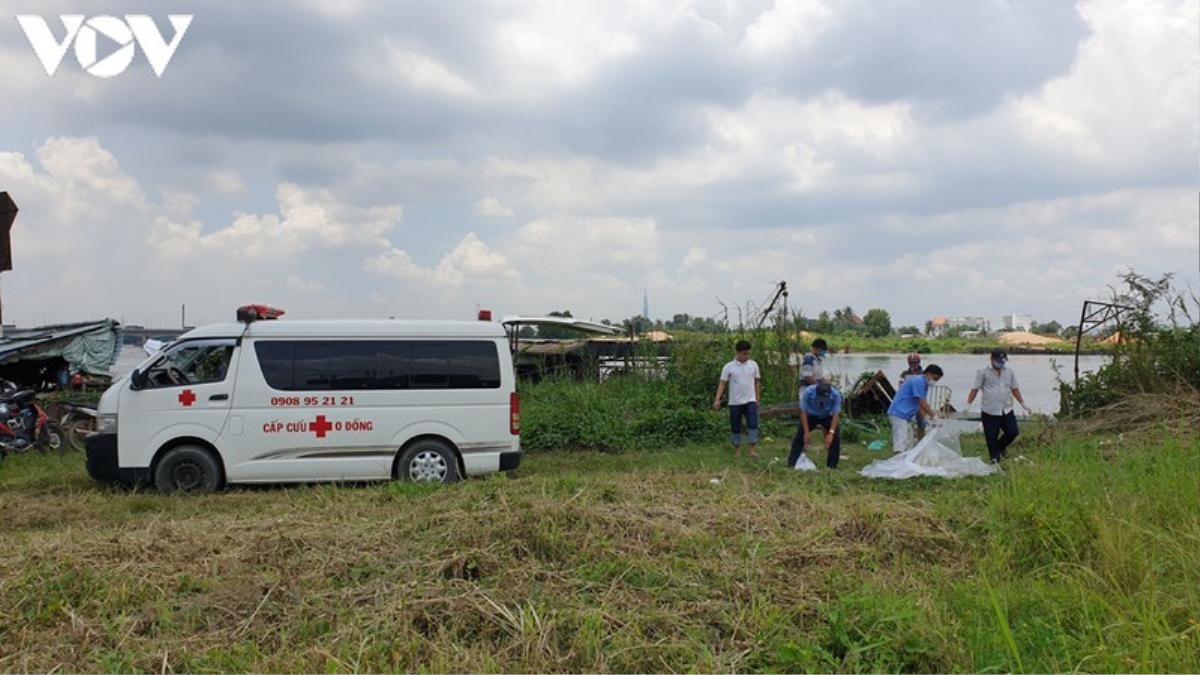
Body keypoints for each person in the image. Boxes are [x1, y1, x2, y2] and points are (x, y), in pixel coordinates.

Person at [965, 349, 1031, 463]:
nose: (1001, 363)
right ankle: (995, 460)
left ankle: (999, 448)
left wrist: (1023, 404)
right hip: (990, 410)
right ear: (991, 359)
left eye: (1003, 361)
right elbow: (975, 389)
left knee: (1012, 432)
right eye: (998, 361)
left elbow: (1014, 388)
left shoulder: (1009, 371)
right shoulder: (983, 372)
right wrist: (968, 404)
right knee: (991, 438)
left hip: (1006, 409)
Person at [713, 340, 762, 458]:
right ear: (737, 353)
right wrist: (717, 399)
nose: (746, 356)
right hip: (735, 402)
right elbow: (722, 384)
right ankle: (737, 450)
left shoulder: (753, 365)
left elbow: (757, 383)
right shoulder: (729, 367)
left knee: (753, 424)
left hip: (750, 400)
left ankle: (752, 450)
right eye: (744, 353)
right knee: (735, 426)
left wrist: (757, 399)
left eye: (748, 354)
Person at [887, 364, 944, 453]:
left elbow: (919, 405)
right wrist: (934, 417)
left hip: (906, 416)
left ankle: (905, 462)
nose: (934, 382)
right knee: (901, 441)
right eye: (935, 378)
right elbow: (922, 402)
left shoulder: (924, 384)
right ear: (928, 373)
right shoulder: (918, 381)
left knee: (909, 443)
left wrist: (925, 420)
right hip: (899, 413)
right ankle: (898, 463)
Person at [788, 381, 842, 469]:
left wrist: (831, 433)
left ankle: (832, 466)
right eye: (821, 397)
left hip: (827, 415)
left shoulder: (836, 395)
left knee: (835, 438)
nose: (822, 400)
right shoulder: (808, 392)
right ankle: (791, 463)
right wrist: (806, 432)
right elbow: (803, 412)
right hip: (810, 415)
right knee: (799, 437)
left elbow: (836, 415)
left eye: (825, 398)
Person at [898, 353, 927, 440]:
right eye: (912, 363)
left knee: (921, 423)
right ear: (909, 363)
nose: (914, 364)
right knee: (907, 422)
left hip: (920, 401)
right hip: (908, 401)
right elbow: (900, 385)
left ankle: (921, 441)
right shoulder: (904, 374)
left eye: (915, 362)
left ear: (919, 362)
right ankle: (908, 441)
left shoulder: (924, 374)